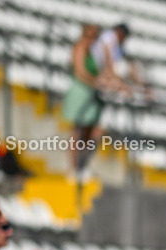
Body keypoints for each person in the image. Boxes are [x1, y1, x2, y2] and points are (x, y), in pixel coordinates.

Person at [61, 24, 103, 177]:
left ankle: (81, 165)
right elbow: (80, 72)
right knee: (77, 132)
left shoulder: (94, 51)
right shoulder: (80, 48)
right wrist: (97, 82)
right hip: (80, 93)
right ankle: (74, 168)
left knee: (91, 131)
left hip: (91, 94)